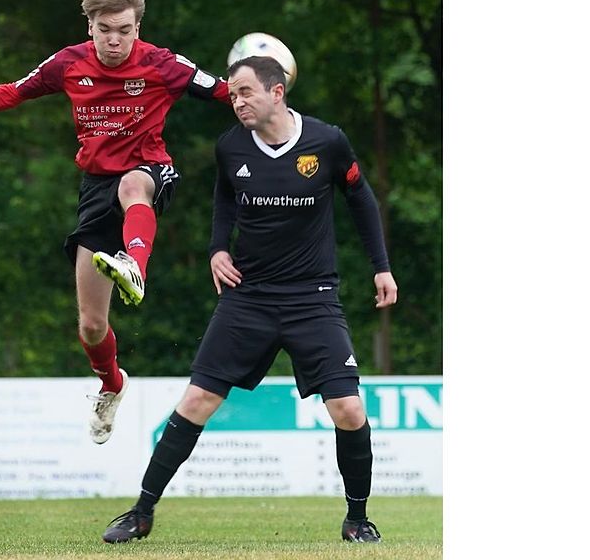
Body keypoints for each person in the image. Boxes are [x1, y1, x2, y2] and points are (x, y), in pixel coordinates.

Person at [0, 0, 229, 445]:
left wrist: (274, 99)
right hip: (95, 189)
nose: (115, 40)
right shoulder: (68, 63)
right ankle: (112, 384)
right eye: (104, 29)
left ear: (138, 27)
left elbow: (227, 93)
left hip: (149, 170)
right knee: (92, 326)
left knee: (135, 184)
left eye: (125, 30)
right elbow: (11, 92)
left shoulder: (163, 63)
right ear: (89, 26)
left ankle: (135, 264)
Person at [101, 56, 398, 544]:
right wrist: (218, 248)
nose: (236, 101)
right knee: (197, 399)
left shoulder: (327, 141)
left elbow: (360, 198)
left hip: (313, 297)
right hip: (249, 297)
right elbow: (225, 199)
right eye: (232, 94)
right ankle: (141, 512)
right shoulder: (230, 146)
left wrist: (381, 266)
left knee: (348, 409)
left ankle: (357, 519)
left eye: (245, 92)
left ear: (277, 92)